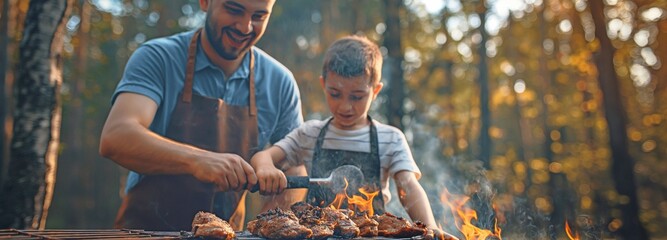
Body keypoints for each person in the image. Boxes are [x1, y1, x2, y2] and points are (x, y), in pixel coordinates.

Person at [99, 0, 304, 231]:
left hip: (228, 234)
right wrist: (197, 160)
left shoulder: (279, 82)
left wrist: (271, 228)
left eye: (259, 16)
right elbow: (116, 136)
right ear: (205, 2)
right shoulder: (158, 57)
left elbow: (294, 168)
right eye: (234, 10)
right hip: (144, 232)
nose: (245, 27)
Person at [250, 35, 458, 240]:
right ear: (324, 84)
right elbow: (264, 156)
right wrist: (266, 167)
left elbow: (409, 187)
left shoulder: (391, 138)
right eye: (335, 93)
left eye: (357, 96)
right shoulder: (309, 133)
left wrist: (429, 227)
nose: (345, 106)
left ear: (375, 91)